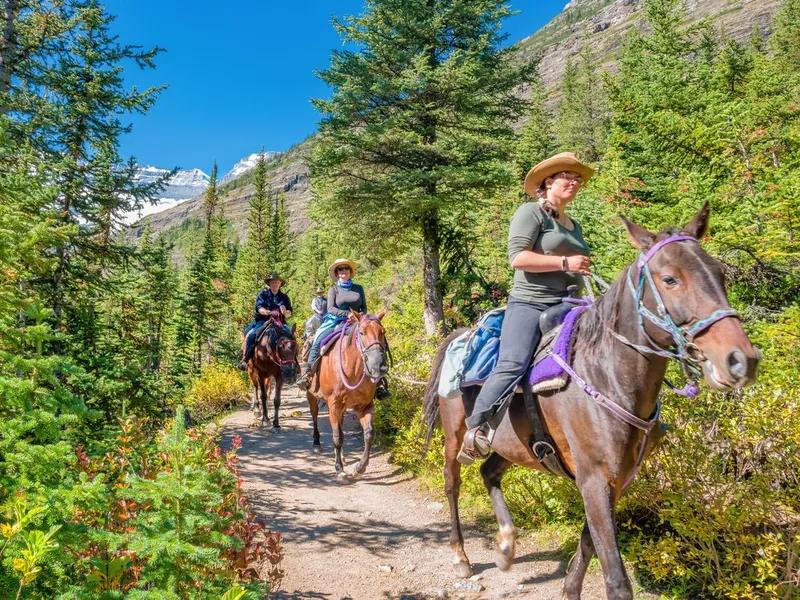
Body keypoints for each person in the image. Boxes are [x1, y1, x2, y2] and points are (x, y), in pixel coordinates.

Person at [458, 152, 594, 465]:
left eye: (577, 178)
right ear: (548, 182)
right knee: (514, 362)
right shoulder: (531, 212)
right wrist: (564, 262)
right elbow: (517, 258)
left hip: (570, 304)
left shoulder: (573, 224)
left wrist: (578, 270)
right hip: (531, 302)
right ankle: (475, 428)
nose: (574, 182)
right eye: (567, 176)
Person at [238, 272, 293, 370]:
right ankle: (245, 359)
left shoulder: (284, 297)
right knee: (252, 335)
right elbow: (259, 308)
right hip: (263, 320)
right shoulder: (263, 295)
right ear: (269, 284)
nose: (274, 284)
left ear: (280, 284)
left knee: (291, 336)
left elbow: (289, 312)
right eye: (272, 282)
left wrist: (285, 312)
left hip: (280, 321)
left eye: (276, 282)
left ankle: (292, 361)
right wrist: (266, 312)